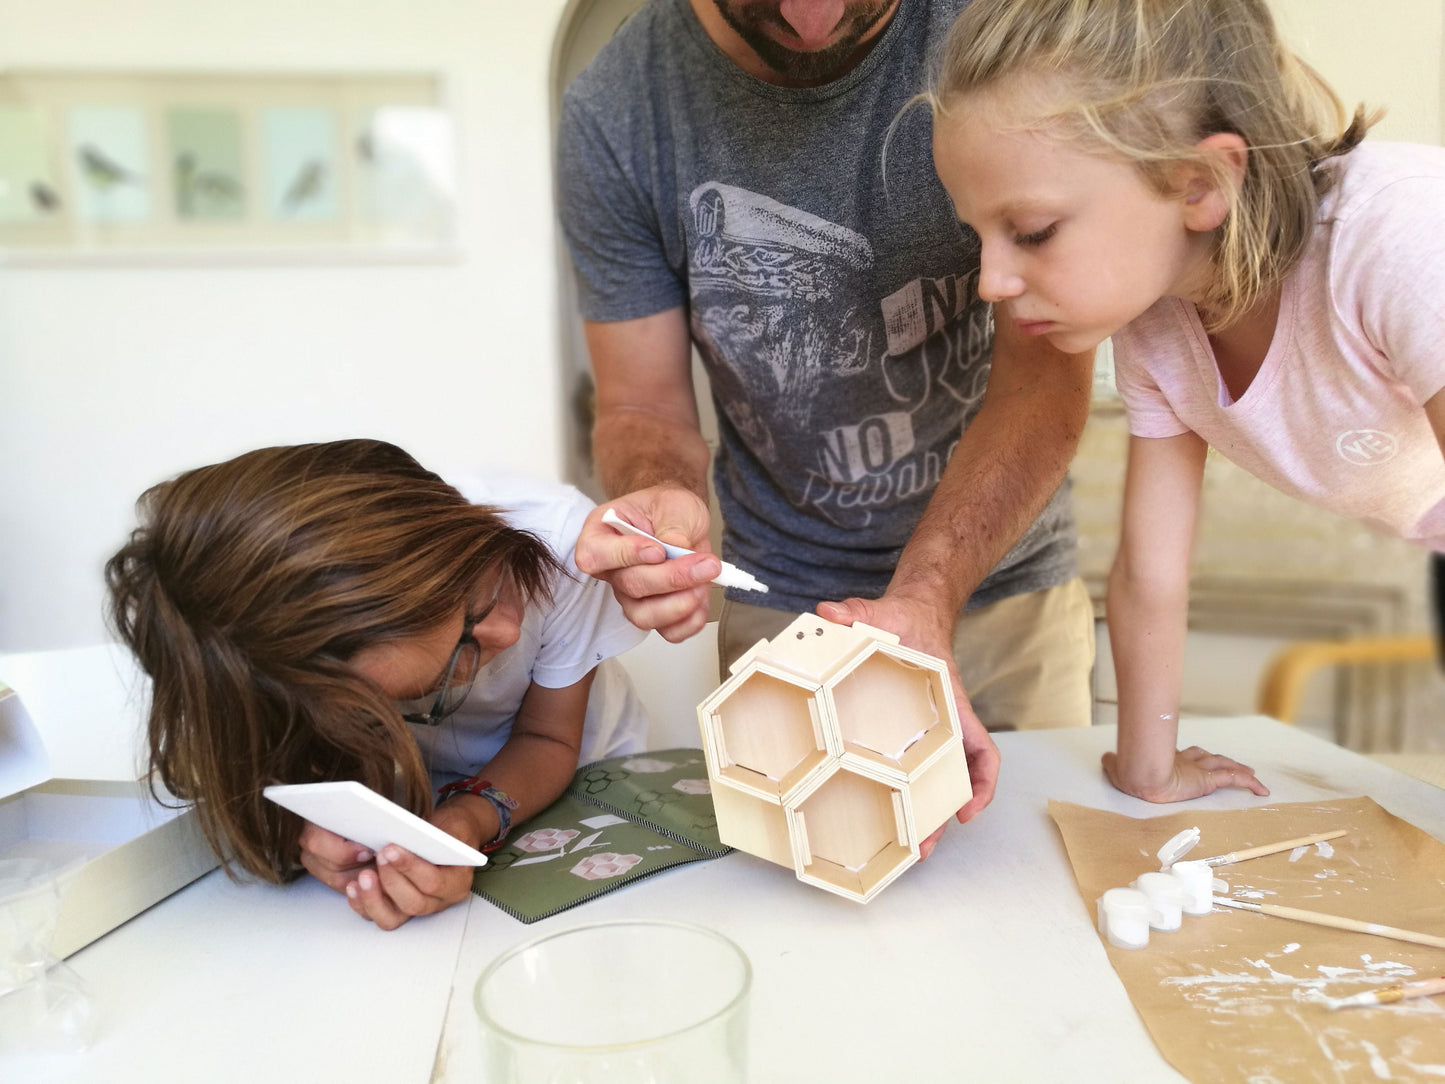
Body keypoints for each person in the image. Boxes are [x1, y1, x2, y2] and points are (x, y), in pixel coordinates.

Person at [558, 0, 1101, 841]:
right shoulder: (617, 110)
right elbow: (638, 403)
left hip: (1005, 597)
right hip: (782, 605)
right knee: (815, 882)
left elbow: (1041, 382)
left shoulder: (1003, 31)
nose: (810, 20)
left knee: (1025, 872)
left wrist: (925, 596)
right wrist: (658, 496)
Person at [926, 0, 1445, 802]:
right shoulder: (1158, 322)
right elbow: (1150, 571)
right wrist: (1149, 768)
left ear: (1198, 183)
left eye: (1030, 231)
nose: (990, 282)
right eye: (978, 236)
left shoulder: (1401, 238)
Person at [105, 440, 649, 929]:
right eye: (443, 675)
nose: (506, 632)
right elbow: (289, 764)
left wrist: (466, 819)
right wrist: (312, 833)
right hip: (419, 795)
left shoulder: (570, 545)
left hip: (583, 774)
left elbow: (547, 738)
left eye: (477, 589)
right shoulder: (261, 660)